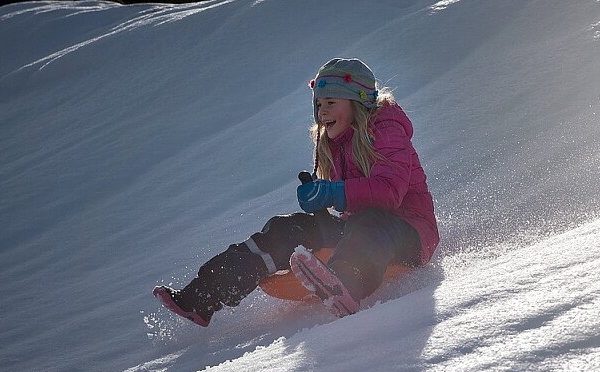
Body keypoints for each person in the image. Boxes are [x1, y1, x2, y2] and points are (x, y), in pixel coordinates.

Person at [153, 57, 439, 326]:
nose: (322, 111)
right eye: (318, 104)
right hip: (360, 231)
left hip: (407, 232)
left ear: (357, 103)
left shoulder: (386, 130)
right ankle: (201, 297)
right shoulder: (334, 142)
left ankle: (347, 283)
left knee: (371, 222)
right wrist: (320, 202)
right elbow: (350, 203)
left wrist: (334, 192)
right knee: (286, 228)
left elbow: (389, 192)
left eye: (330, 102)